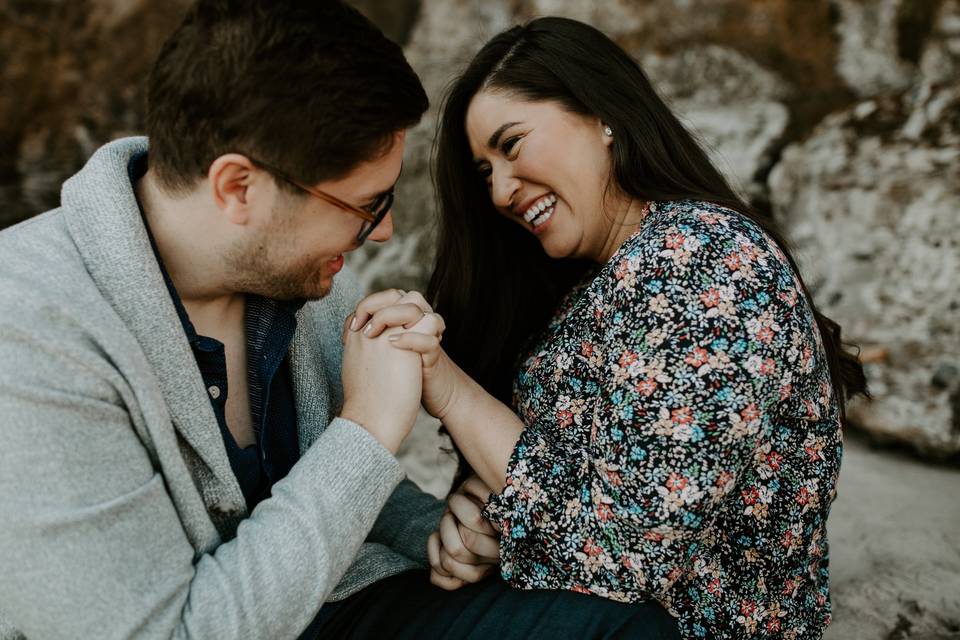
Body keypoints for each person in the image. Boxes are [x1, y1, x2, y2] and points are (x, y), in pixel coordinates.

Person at [0, 3, 682, 639]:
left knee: (619, 627)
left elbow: (329, 492)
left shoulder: (297, 270)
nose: (381, 233)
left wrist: (436, 532)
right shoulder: (30, 331)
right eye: (366, 204)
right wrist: (367, 432)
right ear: (239, 187)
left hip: (338, 603)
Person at [352, 16, 869, 640]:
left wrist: (450, 387)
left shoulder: (700, 261)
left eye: (511, 145)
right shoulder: (600, 278)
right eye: (485, 172)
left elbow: (631, 547)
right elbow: (565, 473)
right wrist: (484, 516)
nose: (500, 191)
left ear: (604, 117)